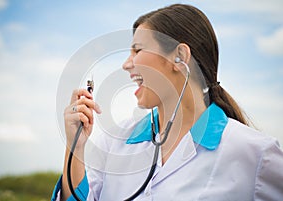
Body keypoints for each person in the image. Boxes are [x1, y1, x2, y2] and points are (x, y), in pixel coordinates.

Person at [51, 4, 283, 201]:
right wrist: (75, 147)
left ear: (179, 56)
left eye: (137, 50)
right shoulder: (115, 142)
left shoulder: (256, 154)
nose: (126, 64)